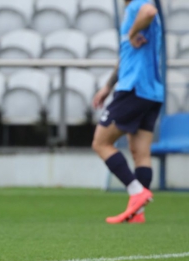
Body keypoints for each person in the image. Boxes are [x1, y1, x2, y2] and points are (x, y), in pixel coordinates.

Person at [91, 0, 162, 224]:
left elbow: (150, 11)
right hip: (152, 92)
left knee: (101, 142)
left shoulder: (138, 6)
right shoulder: (133, 10)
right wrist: (108, 86)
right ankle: (137, 213)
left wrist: (132, 31)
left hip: (134, 88)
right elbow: (128, 56)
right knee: (140, 152)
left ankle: (136, 191)